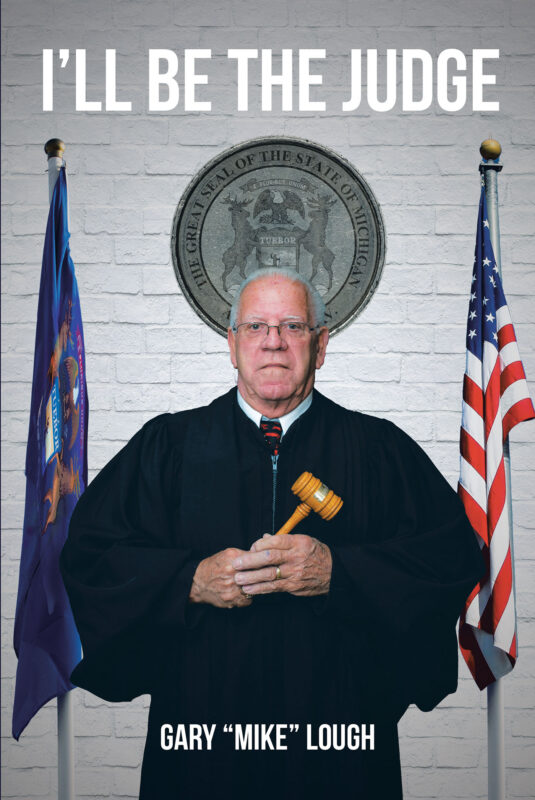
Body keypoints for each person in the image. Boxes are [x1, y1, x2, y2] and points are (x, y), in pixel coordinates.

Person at [60, 268, 485, 799]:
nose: (274, 342)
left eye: (293, 326)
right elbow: (91, 556)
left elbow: (449, 559)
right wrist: (189, 581)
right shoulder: (168, 446)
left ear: (321, 345)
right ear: (232, 344)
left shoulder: (378, 449)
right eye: (256, 326)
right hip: (201, 741)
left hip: (341, 742)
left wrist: (340, 573)